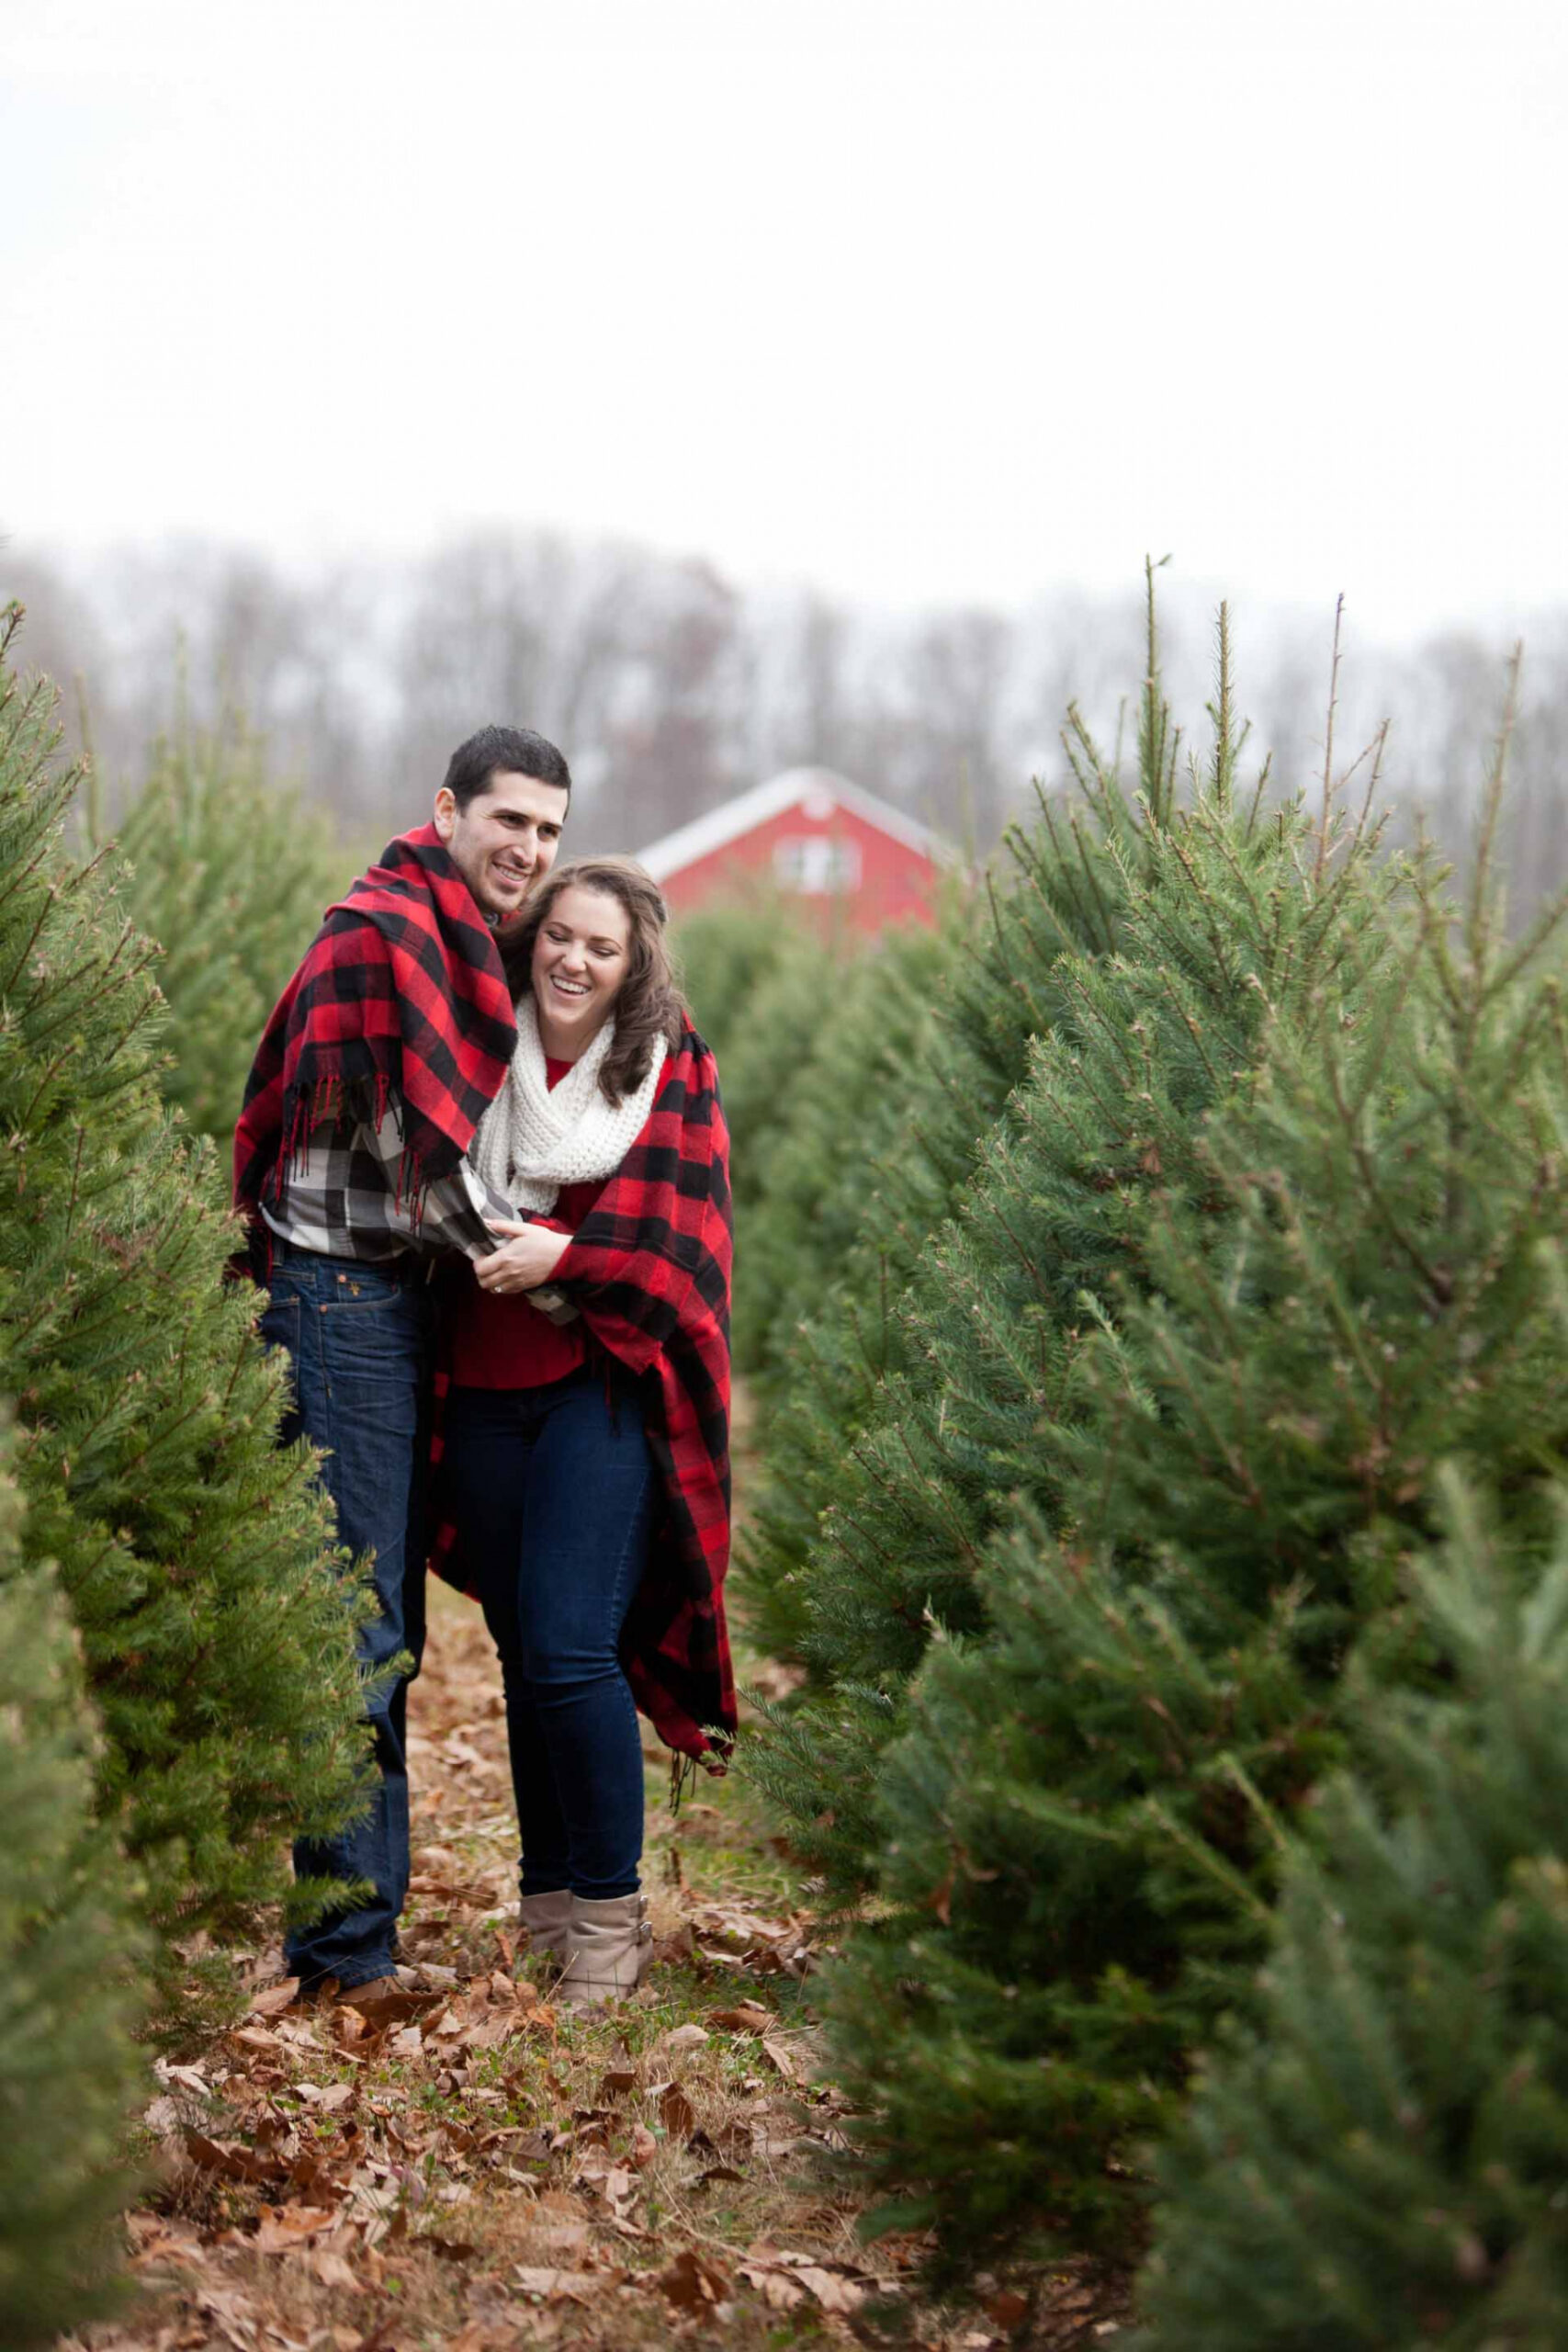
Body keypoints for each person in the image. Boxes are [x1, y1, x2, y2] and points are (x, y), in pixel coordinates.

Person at [232, 725, 571, 1999]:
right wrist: (554, 1272)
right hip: (340, 1302)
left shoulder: (459, 942)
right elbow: (413, 1164)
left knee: (378, 1621)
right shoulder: (379, 934)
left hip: (389, 1301)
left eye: (547, 830)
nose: (528, 849)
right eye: (508, 821)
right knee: (358, 1631)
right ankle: (341, 1952)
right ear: (447, 808)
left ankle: (347, 1930)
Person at [433, 855, 736, 2007]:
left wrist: (571, 1257)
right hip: (482, 1391)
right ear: (532, 937)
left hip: (600, 1390)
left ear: (632, 963)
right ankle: (548, 1902)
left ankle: (608, 1926)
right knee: (527, 1660)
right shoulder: (474, 1042)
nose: (573, 959)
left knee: (570, 1647)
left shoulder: (668, 1067)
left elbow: (689, 1256)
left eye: (600, 947)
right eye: (559, 936)